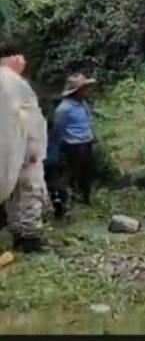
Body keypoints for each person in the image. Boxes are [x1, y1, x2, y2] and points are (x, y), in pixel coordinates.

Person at [0, 45, 50, 252]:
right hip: (24, 149)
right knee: (30, 192)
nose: (23, 62)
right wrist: (31, 149)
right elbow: (21, 118)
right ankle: (30, 238)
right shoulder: (10, 81)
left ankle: (19, 233)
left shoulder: (11, 81)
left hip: (15, 149)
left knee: (14, 195)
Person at [52, 73, 98, 206]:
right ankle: (75, 197)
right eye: (84, 88)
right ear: (77, 91)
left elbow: (88, 120)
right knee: (77, 172)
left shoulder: (83, 103)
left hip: (86, 142)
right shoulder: (64, 108)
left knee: (88, 172)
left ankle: (85, 197)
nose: (87, 91)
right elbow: (58, 127)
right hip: (74, 145)